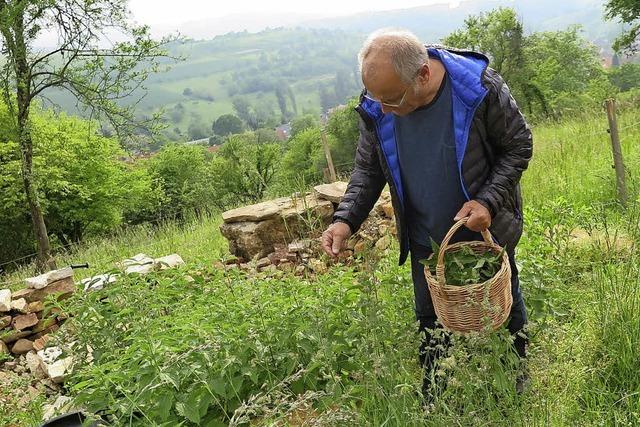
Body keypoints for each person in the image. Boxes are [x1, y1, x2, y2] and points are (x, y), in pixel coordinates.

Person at [320, 28, 533, 397]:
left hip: (486, 227)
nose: (383, 109)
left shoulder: (476, 89)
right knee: (429, 314)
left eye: (391, 99)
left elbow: (518, 146)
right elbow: (369, 169)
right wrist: (345, 219)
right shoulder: (379, 103)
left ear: (422, 74)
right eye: (376, 98)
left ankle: (513, 375)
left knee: (502, 304)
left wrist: (488, 201)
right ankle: (436, 389)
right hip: (427, 238)